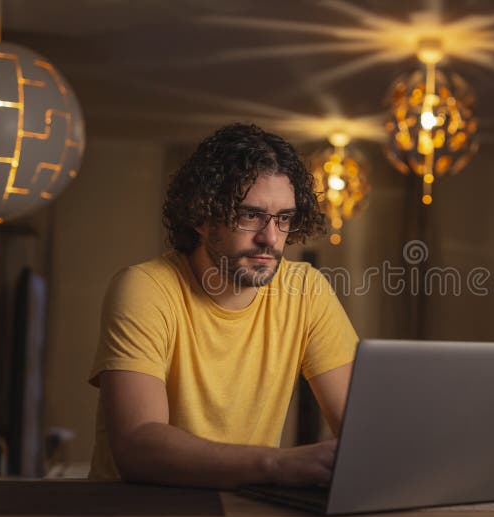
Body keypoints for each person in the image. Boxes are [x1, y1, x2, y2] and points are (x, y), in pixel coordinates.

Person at [87, 123, 358, 489]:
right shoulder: (145, 288)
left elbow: (362, 429)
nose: (271, 239)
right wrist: (278, 464)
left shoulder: (305, 289)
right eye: (250, 215)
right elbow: (137, 446)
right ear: (202, 215)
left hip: (242, 515)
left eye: (283, 219)